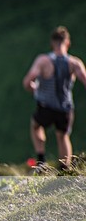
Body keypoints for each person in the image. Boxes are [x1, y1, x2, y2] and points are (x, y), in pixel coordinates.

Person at [22, 26, 86, 171]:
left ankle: (41, 160)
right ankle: (65, 170)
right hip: (65, 108)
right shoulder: (74, 63)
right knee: (63, 136)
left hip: (46, 106)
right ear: (68, 43)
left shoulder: (43, 61)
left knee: (35, 125)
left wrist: (33, 89)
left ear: (52, 43)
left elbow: (27, 81)